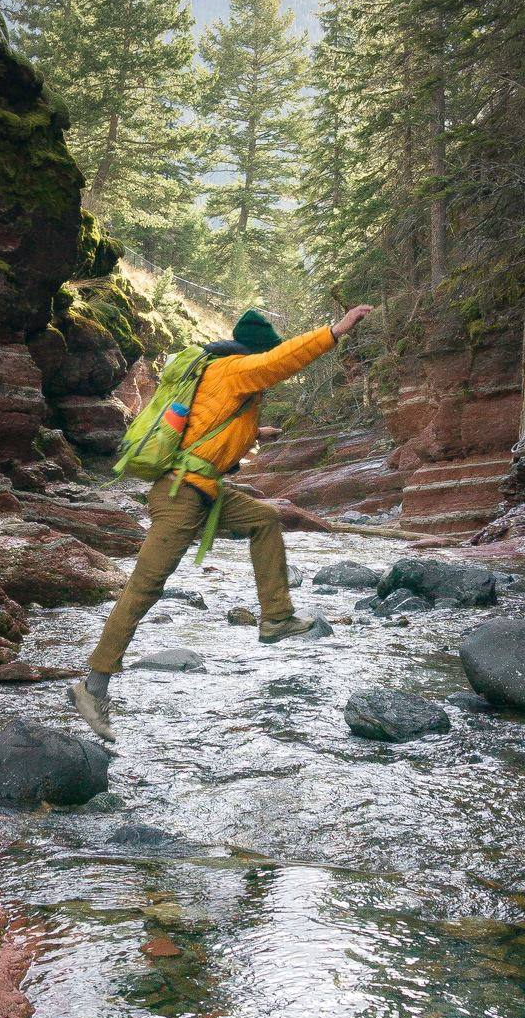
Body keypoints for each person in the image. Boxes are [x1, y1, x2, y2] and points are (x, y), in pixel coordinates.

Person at [71, 303, 375, 741]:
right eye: (261, 356)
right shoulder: (235, 368)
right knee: (144, 588)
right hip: (179, 495)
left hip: (204, 489)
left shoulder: (220, 372)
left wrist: (255, 434)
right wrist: (335, 331)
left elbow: (207, 427)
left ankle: (275, 618)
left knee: (265, 519)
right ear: (252, 351)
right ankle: (93, 685)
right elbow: (281, 360)